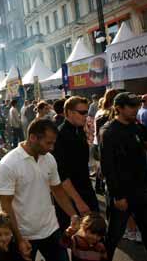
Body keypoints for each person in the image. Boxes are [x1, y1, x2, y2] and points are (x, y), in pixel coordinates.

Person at [0, 119, 79, 261]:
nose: (52, 148)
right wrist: (19, 238)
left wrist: (73, 215)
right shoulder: (8, 164)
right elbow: (6, 205)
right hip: (25, 235)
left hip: (52, 229)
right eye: (48, 143)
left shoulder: (49, 159)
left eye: (53, 143)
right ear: (33, 138)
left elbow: (58, 190)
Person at [100, 92, 147, 260]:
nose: (136, 109)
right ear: (118, 108)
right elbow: (108, 166)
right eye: (131, 106)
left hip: (141, 191)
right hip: (121, 193)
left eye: (137, 105)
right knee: (114, 236)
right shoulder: (109, 131)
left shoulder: (137, 127)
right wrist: (118, 195)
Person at [52, 96, 99, 232]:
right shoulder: (60, 136)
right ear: (70, 113)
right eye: (82, 112)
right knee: (78, 240)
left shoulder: (78, 130)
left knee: (93, 236)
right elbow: (62, 175)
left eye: (87, 112)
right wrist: (79, 202)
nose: (86, 116)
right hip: (72, 197)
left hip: (86, 189)